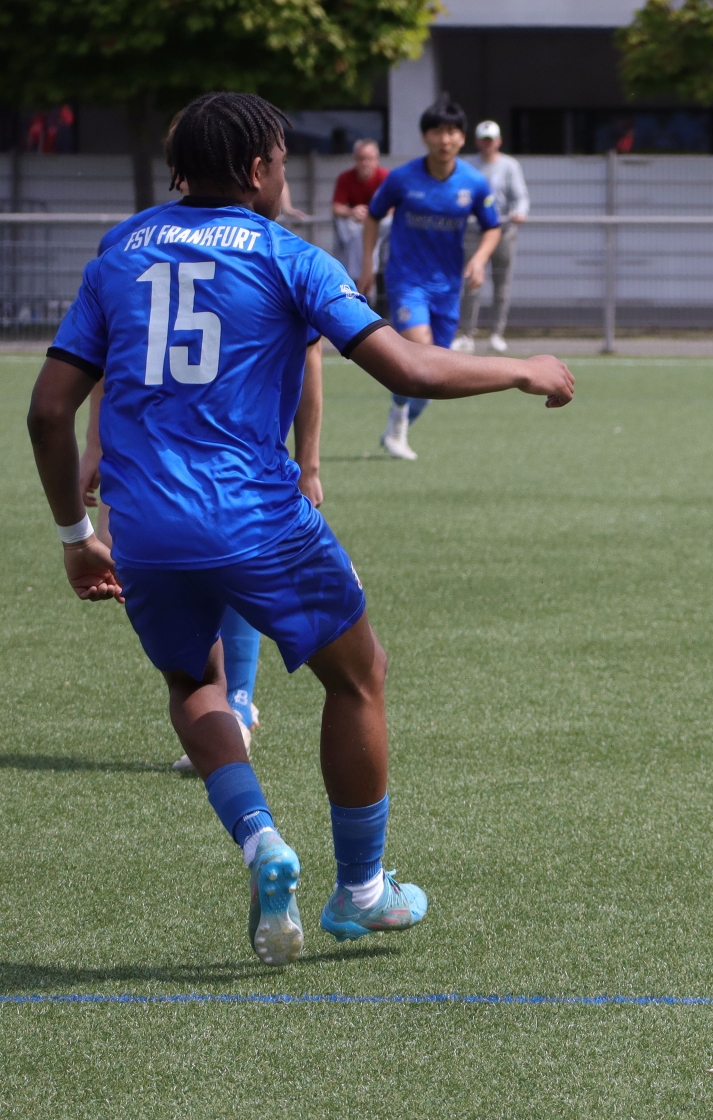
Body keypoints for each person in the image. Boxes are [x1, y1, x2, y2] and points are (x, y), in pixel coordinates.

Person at [26, 91, 574, 966]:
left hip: (144, 525)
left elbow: (49, 409)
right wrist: (521, 367)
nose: (287, 175)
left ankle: (260, 841)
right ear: (256, 171)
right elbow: (405, 365)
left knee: (191, 684)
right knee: (359, 678)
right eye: (281, 160)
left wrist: (72, 534)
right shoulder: (291, 256)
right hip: (260, 518)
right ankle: (361, 891)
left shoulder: (117, 252)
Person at [80, 334, 324, 775]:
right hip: (150, 442)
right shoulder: (117, 262)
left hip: (239, 438)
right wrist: (95, 446)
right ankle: (224, 720)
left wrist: (308, 464)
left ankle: (237, 705)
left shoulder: (272, 262)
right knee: (157, 568)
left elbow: (309, 347)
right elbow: (108, 349)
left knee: (235, 552)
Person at [359, 95, 502, 459]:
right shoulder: (402, 179)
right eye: (437, 131)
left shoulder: (474, 183)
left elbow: (492, 228)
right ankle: (399, 426)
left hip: (448, 286)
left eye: (453, 132)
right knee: (420, 353)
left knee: (435, 375)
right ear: (425, 137)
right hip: (407, 281)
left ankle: (397, 420)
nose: (445, 139)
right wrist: (366, 265)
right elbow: (373, 216)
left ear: (462, 138)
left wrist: (481, 260)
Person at [455, 120, 529, 354]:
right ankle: (466, 333)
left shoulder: (510, 165)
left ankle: (497, 333)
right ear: (477, 141)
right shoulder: (467, 165)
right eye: (484, 140)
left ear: (499, 141)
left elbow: (521, 196)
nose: (488, 144)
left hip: (503, 231)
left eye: (492, 139)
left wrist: (520, 212)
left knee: (502, 284)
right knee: (471, 283)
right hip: (475, 232)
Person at [330, 139, 387, 284]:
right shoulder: (345, 177)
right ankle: (356, 280)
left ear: (377, 160)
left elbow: (394, 207)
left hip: (380, 223)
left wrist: (373, 215)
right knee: (352, 231)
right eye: (361, 158)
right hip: (356, 225)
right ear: (355, 159)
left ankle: (371, 278)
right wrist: (352, 212)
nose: (365, 163)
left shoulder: (386, 177)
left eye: (369, 159)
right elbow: (336, 207)